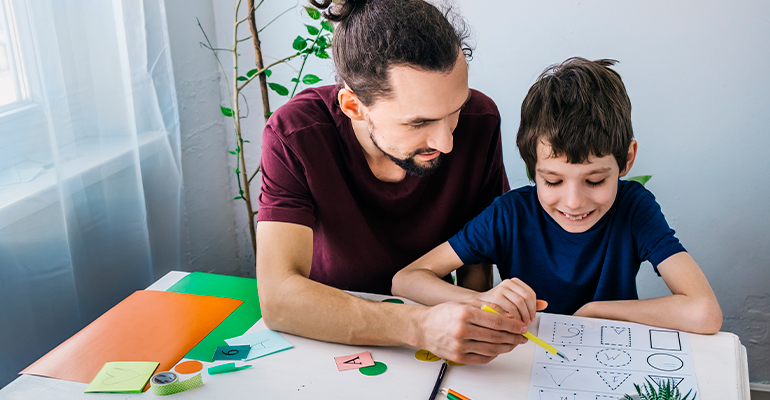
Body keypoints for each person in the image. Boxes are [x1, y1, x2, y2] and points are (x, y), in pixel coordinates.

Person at [256, 0, 531, 364]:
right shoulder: (296, 135)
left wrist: (474, 329)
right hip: (328, 337)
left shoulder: (480, 121)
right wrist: (418, 326)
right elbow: (278, 297)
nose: (446, 142)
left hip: (434, 345)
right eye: (419, 123)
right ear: (353, 105)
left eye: (455, 111)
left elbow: (474, 256)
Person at [392, 57, 723, 334]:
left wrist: (596, 311)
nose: (574, 201)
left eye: (594, 181)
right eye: (552, 181)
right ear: (531, 167)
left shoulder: (634, 208)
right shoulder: (509, 215)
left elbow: (704, 311)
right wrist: (484, 301)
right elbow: (406, 280)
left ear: (626, 160)